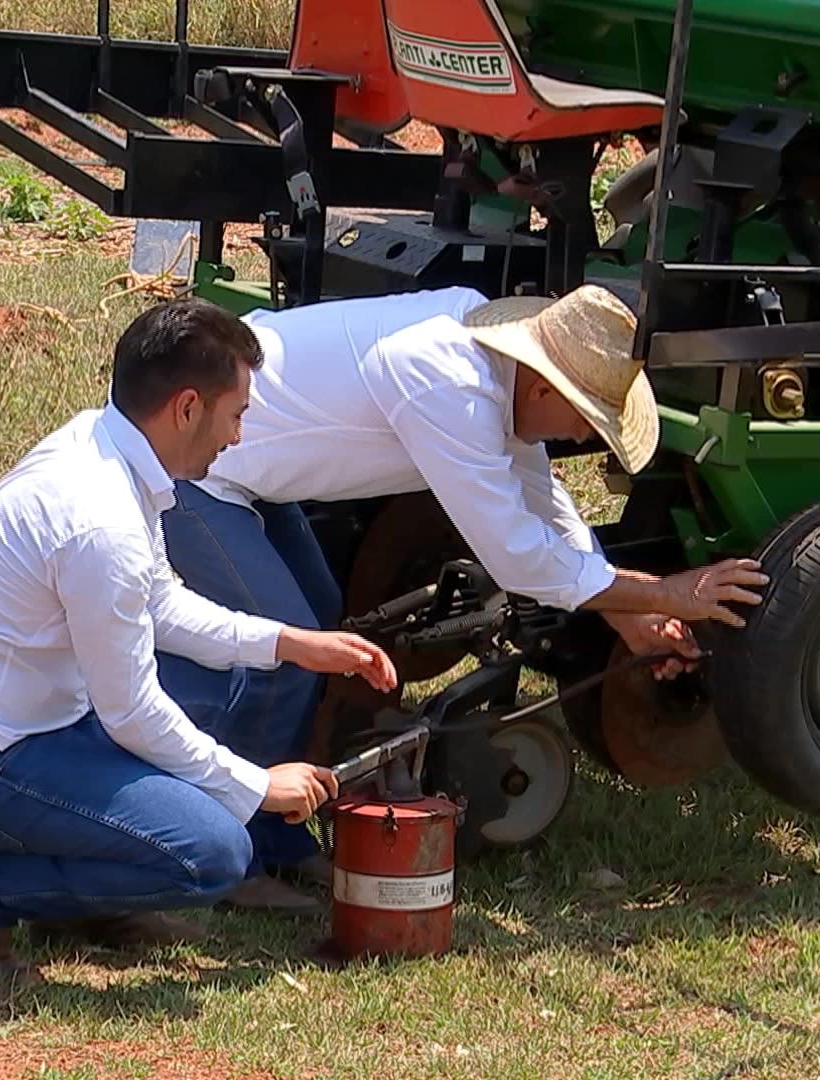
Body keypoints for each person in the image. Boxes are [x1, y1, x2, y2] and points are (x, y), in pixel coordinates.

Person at [150, 284, 770, 910]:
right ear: (544, 387)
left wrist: (630, 615)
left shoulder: (492, 368)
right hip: (199, 469)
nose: (584, 436)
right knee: (287, 651)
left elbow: (544, 505)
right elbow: (517, 555)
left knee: (316, 633)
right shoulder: (445, 382)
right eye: (587, 418)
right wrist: (666, 592)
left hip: (253, 476)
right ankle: (212, 846)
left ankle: (271, 843)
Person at [0, 298, 398, 984]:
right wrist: (258, 786)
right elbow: (130, 711)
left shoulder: (104, 447)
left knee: (219, 712)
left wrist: (293, 644)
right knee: (212, 853)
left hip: (33, 727)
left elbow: (159, 604)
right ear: (187, 407)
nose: (239, 438)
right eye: (236, 414)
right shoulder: (101, 521)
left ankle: (88, 897)